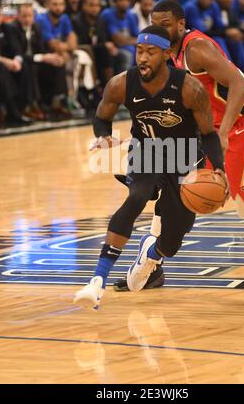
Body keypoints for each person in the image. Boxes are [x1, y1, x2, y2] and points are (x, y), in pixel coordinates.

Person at [114, 0, 244, 291]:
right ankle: (152, 266)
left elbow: (237, 84)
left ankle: (153, 258)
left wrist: (221, 134)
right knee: (176, 187)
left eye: (166, 24)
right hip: (213, 128)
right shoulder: (164, 55)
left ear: (181, 24)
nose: (159, 29)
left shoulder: (196, 49)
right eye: (155, 23)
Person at [73, 25, 227, 309]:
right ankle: (98, 280)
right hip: (147, 152)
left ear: (167, 54)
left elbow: (208, 134)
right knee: (137, 196)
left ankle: (152, 252)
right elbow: (102, 115)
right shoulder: (121, 83)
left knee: (172, 241)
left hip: (184, 159)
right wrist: (103, 135)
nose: (142, 58)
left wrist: (219, 168)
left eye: (151, 52)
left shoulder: (190, 88)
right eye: (139, 51)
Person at [101, 0, 139, 73]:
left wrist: (127, 40)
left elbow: (138, 38)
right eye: (121, 0)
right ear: (114, 2)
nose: (124, 3)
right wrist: (130, 40)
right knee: (127, 55)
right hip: (112, 47)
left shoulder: (131, 15)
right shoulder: (107, 14)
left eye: (126, 0)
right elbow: (118, 41)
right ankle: (124, 83)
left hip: (129, 48)